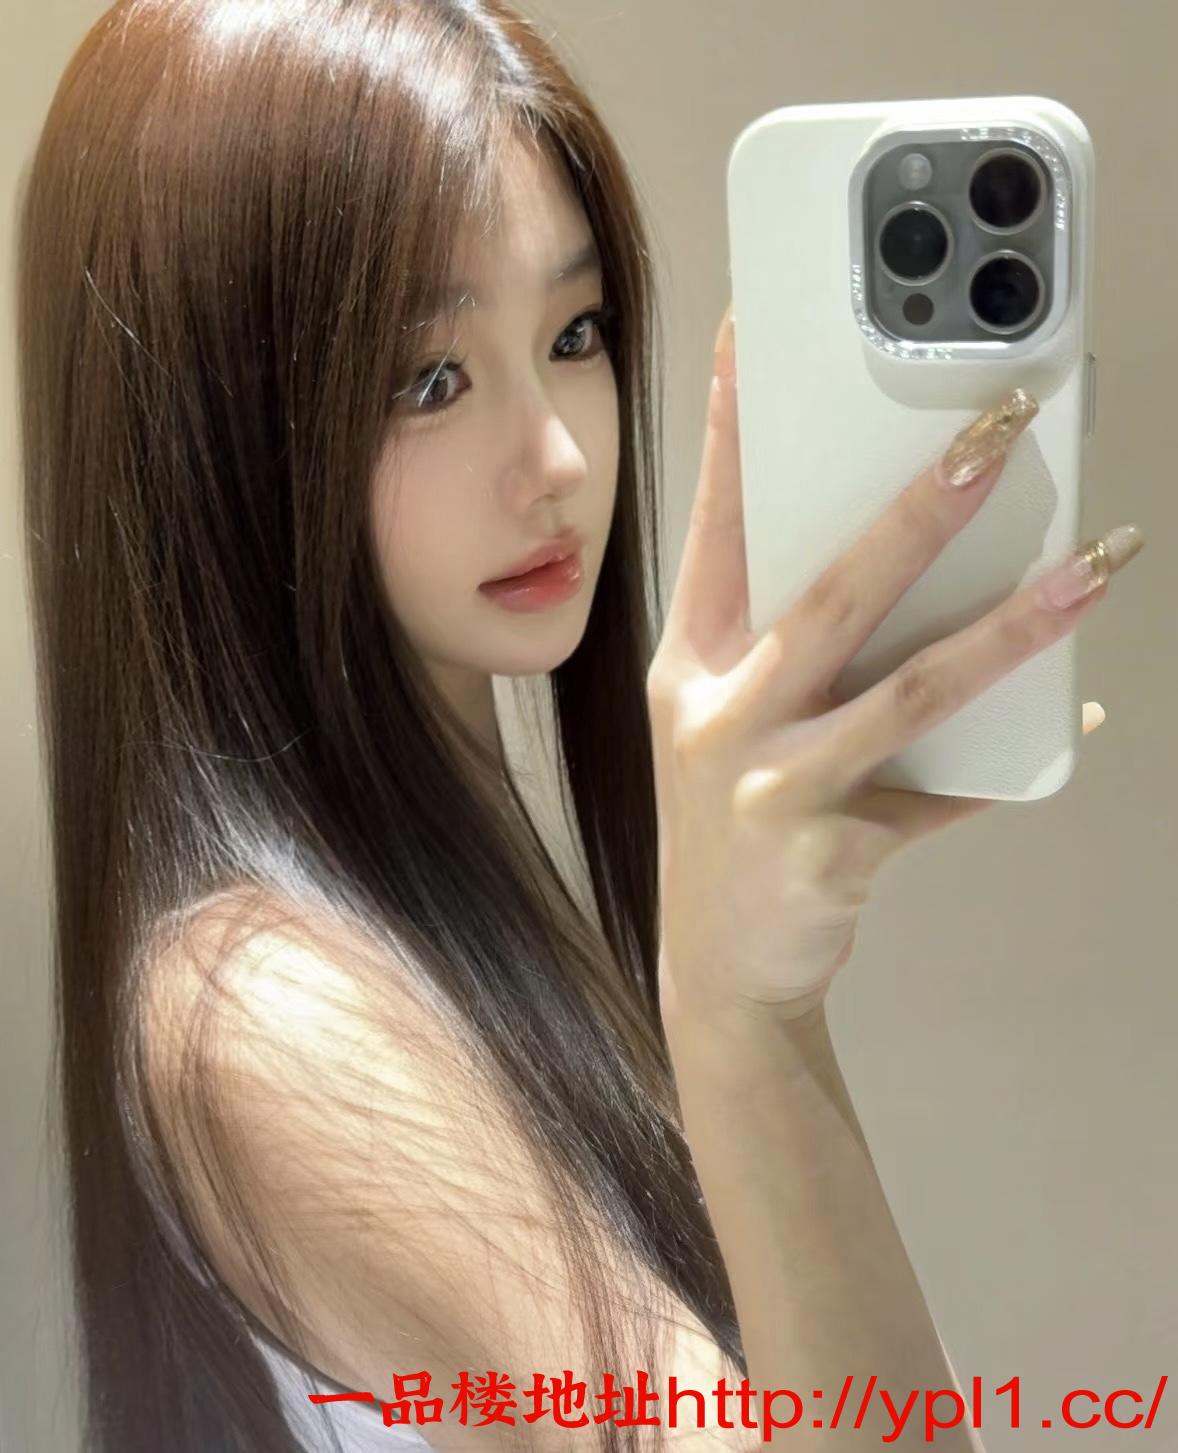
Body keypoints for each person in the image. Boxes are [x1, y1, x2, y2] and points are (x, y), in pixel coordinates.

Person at [14, 2, 1139, 1451]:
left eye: (575, 332)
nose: (554, 454)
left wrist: (752, 1008)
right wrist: (742, 1021)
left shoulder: (459, 908)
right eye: (428, 379)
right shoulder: (261, 1010)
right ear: (211, 426)